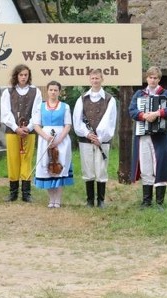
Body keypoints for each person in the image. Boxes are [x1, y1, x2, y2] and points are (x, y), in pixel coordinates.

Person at [128, 66, 167, 210]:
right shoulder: (139, 94)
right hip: (143, 135)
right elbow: (132, 111)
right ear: (147, 78)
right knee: (145, 166)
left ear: (159, 79)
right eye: (150, 77)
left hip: (160, 137)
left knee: (160, 166)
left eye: (155, 78)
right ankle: (146, 201)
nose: (153, 80)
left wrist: (157, 113)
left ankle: (160, 203)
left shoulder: (166, 93)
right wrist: (144, 116)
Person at [73, 68, 117, 208]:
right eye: (92, 78)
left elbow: (110, 120)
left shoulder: (110, 99)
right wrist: (87, 134)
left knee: (101, 168)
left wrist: (101, 137)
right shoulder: (82, 99)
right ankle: (90, 200)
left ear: (102, 79)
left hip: (101, 140)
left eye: (97, 78)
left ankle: (101, 201)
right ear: (89, 79)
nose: (95, 81)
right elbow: (77, 120)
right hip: (86, 139)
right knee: (88, 168)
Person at [0, 64, 42, 202]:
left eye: (25, 75)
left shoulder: (35, 92)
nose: (23, 77)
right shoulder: (8, 92)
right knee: (13, 160)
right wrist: (16, 128)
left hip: (28, 132)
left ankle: (26, 193)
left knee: (27, 160)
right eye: (21, 75)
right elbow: (6, 113)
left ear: (28, 76)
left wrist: (29, 128)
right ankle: (13, 193)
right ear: (16, 76)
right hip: (12, 132)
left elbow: (37, 112)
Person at [34, 81, 74, 208]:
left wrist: (58, 140)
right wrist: (46, 137)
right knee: (47, 166)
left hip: (61, 138)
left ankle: (58, 199)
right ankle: (51, 199)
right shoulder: (41, 106)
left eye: (55, 90)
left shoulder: (65, 106)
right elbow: (36, 125)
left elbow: (68, 125)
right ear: (47, 91)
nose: (53, 92)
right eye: (51, 90)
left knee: (60, 165)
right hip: (45, 138)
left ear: (59, 91)